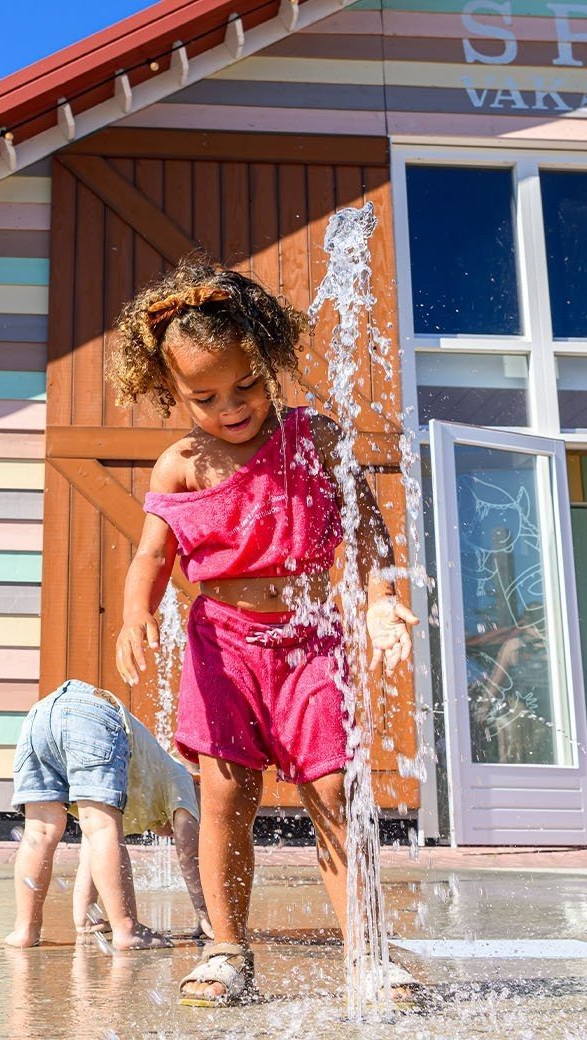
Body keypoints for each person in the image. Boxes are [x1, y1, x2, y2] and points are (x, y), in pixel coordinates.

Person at [107, 257, 421, 1008]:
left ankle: (368, 957)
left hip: (313, 637)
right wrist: (135, 615)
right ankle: (226, 951)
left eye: (245, 384)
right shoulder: (182, 463)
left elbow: (368, 530)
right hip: (223, 645)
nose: (231, 406)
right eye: (205, 396)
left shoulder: (313, 435)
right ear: (170, 391)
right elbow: (154, 553)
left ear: (267, 361)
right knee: (225, 797)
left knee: (334, 792)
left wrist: (380, 595)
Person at [6, 679, 210, 949]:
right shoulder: (181, 777)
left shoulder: (149, 779)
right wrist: (207, 916)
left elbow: (90, 848)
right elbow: (189, 852)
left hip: (39, 717)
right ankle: (127, 928)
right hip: (93, 714)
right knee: (103, 828)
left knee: (41, 831)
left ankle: (27, 930)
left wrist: (87, 912)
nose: (167, 833)